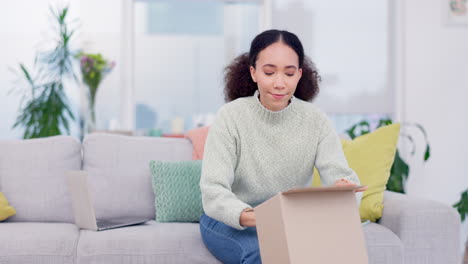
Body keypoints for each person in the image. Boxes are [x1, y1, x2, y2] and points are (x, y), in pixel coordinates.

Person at [199, 29, 367, 264]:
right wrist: (263, 218)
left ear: (299, 75)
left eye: (289, 74)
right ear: (253, 73)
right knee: (268, 253)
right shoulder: (231, 117)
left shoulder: (315, 120)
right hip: (233, 220)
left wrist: (342, 191)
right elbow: (213, 191)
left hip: (289, 220)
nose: (279, 83)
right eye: (269, 72)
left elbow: (342, 178)